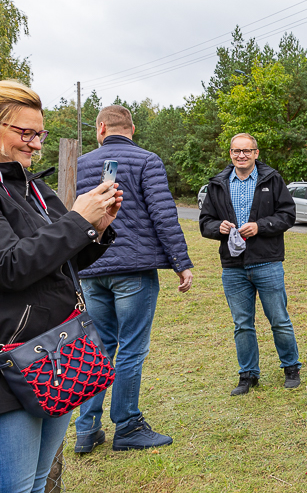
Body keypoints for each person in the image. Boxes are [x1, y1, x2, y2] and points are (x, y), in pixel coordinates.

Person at [0, 80, 122, 492]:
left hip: (57, 352)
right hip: (10, 364)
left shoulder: (35, 188)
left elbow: (60, 262)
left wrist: (97, 229)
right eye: (25, 133)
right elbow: (11, 267)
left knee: (40, 481)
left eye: (40, 134)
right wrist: (76, 221)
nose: (36, 144)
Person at [74, 104, 193, 453]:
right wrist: (180, 263)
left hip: (90, 268)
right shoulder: (147, 160)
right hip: (132, 269)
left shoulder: (80, 164)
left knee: (98, 349)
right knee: (131, 348)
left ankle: (87, 429)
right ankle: (126, 426)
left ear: (100, 129)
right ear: (132, 128)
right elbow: (162, 212)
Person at [199, 133, 302, 396]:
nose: (241, 155)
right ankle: (248, 375)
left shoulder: (271, 179)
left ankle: (291, 368)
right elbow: (205, 222)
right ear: (230, 154)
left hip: (266, 261)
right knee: (242, 323)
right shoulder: (218, 184)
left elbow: (288, 215)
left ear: (256, 153)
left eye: (247, 151)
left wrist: (260, 226)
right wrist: (216, 227)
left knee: (278, 319)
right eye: (236, 151)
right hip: (232, 266)